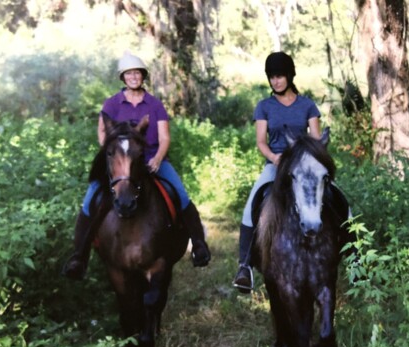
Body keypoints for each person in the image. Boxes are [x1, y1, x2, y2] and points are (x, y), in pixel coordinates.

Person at [63, 51, 211, 280]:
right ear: (123, 77)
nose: (133, 77)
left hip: (150, 159)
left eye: (137, 73)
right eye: (129, 74)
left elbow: (165, 137)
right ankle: (79, 257)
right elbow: (103, 134)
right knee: (90, 200)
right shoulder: (112, 104)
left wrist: (158, 158)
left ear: (143, 77)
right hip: (120, 163)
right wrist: (114, 158)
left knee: (181, 195)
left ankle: (199, 245)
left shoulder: (154, 104)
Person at [232, 51, 323, 293]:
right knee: (251, 205)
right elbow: (261, 141)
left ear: (290, 76)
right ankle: (245, 266)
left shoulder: (307, 105)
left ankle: (355, 255)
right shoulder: (264, 106)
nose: (276, 81)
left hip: (304, 165)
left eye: (280, 76)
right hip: (276, 165)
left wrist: (307, 158)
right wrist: (274, 157)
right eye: (272, 77)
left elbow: (316, 139)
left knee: (338, 197)